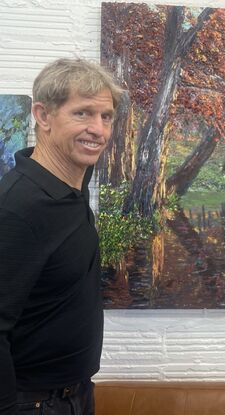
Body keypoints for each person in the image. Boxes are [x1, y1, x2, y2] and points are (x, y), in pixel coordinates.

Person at [0, 58, 122, 415]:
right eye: (82, 113)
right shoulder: (19, 208)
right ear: (43, 115)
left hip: (75, 395)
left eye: (107, 117)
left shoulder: (70, 186)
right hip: (34, 404)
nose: (98, 130)